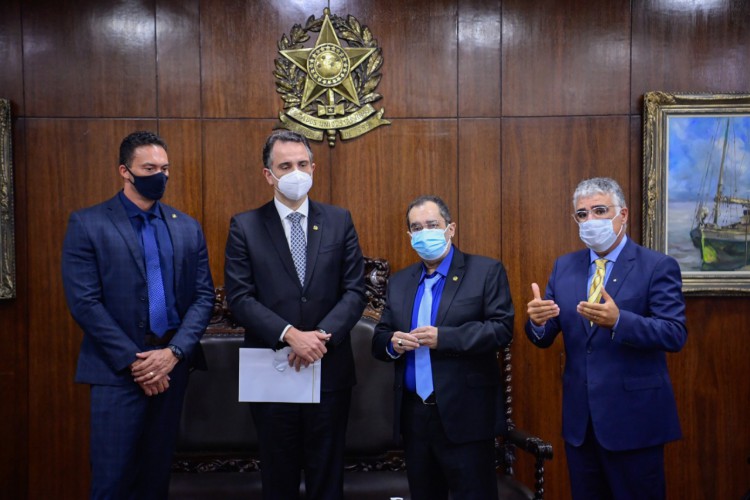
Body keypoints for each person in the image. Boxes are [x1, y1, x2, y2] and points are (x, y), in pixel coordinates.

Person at [61, 130, 215, 499]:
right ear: (124, 171)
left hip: (171, 370)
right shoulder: (88, 223)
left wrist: (172, 354)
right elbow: (85, 302)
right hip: (116, 373)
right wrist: (137, 364)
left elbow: (203, 297)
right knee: (112, 482)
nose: (160, 176)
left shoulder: (186, 226)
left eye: (165, 168)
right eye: (149, 168)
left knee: (156, 480)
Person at [224, 130, 366, 500]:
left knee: (327, 478)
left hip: (329, 368)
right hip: (272, 371)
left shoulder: (339, 220)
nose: (296, 172)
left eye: (302, 164)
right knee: (278, 478)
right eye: (285, 166)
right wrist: (290, 334)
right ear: (268, 175)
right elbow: (239, 298)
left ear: (313, 168)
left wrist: (319, 337)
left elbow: (355, 290)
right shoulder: (245, 226)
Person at [525, 177, 687, 500]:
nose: (590, 220)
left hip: (634, 423)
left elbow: (674, 333)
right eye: (582, 214)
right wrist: (537, 322)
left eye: (600, 211)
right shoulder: (564, 267)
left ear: (622, 214)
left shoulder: (657, 266)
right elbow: (545, 335)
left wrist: (620, 321)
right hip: (581, 426)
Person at [372, 195, 514, 500]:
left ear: (451, 229)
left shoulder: (485, 271)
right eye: (416, 228)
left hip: (466, 415)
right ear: (409, 235)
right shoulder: (400, 282)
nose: (424, 233)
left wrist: (444, 338)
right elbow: (380, 337)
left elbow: (501, 330)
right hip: (414, 417)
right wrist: (392, 343)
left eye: (432, 225)